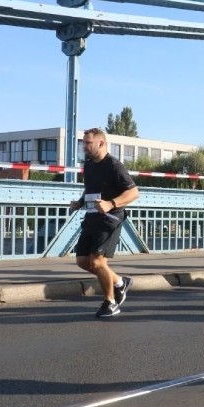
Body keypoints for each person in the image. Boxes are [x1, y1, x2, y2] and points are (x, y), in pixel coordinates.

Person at [70, 128, 140, 318]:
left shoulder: (114, 166)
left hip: (110, 219)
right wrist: (80, 202)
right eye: (83, 142)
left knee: (98, 262)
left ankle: (111, 302)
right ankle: (119, 282)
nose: (84, 146)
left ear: (101, 143)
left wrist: (112, 204)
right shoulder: (90, 164)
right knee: (83, 261)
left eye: (88, 143)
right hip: (92, 217)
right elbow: (91, 189)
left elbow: (134, 192)